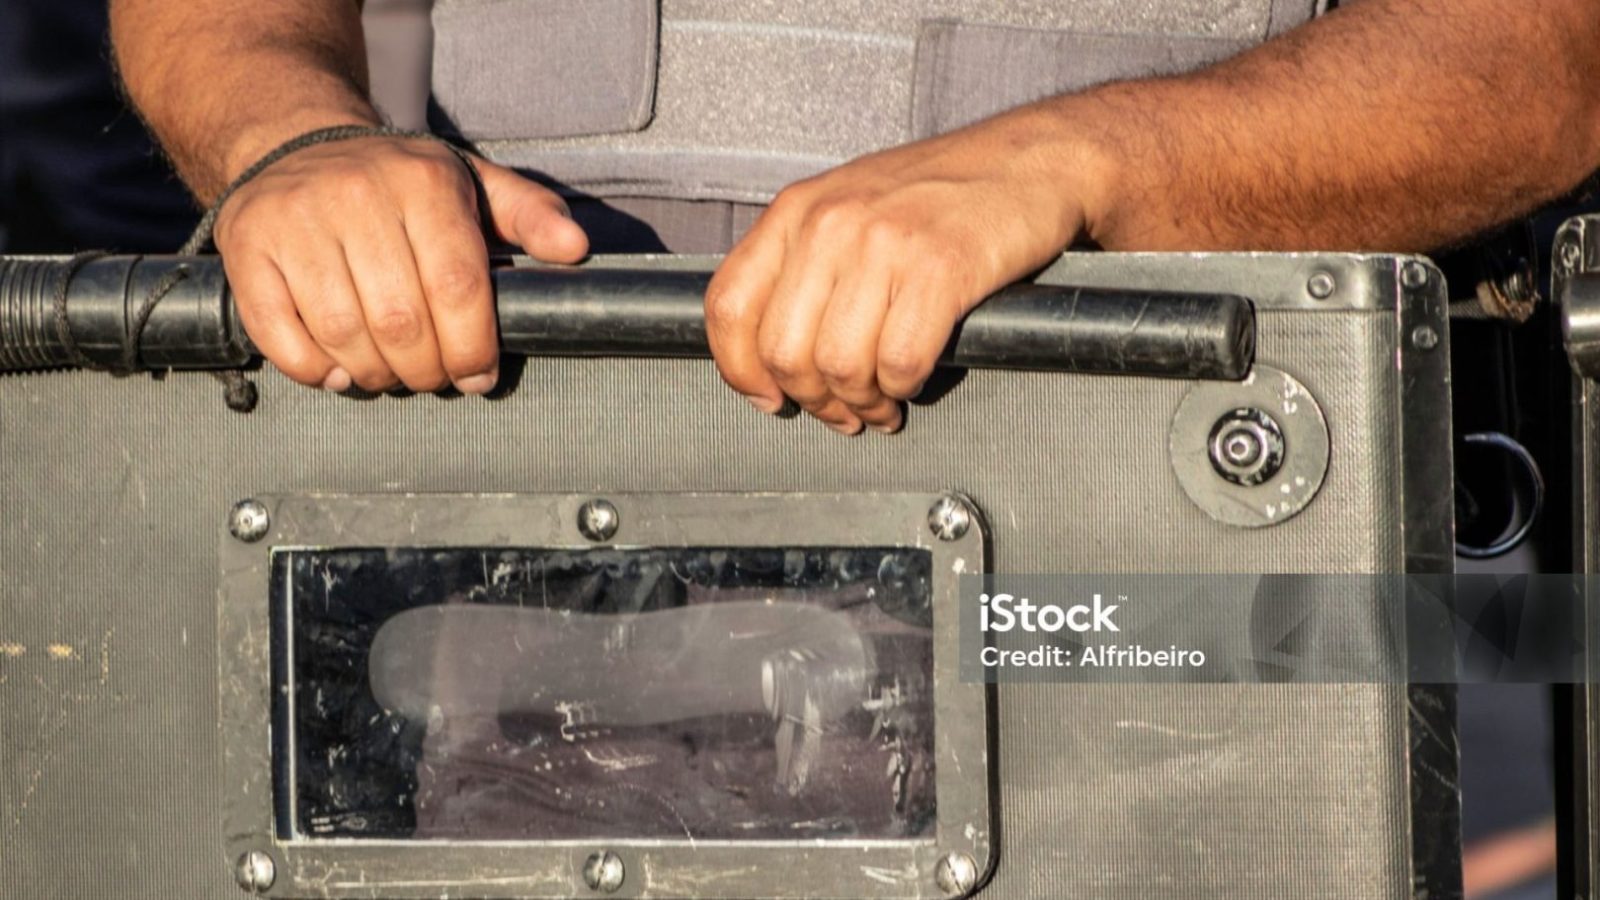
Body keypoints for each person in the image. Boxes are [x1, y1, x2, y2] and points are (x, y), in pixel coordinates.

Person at [110, 0, 1600, 435]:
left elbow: (1541, 60)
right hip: (512, 567)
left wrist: (1085, 161)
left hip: (1142, 580)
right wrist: (291, 139)